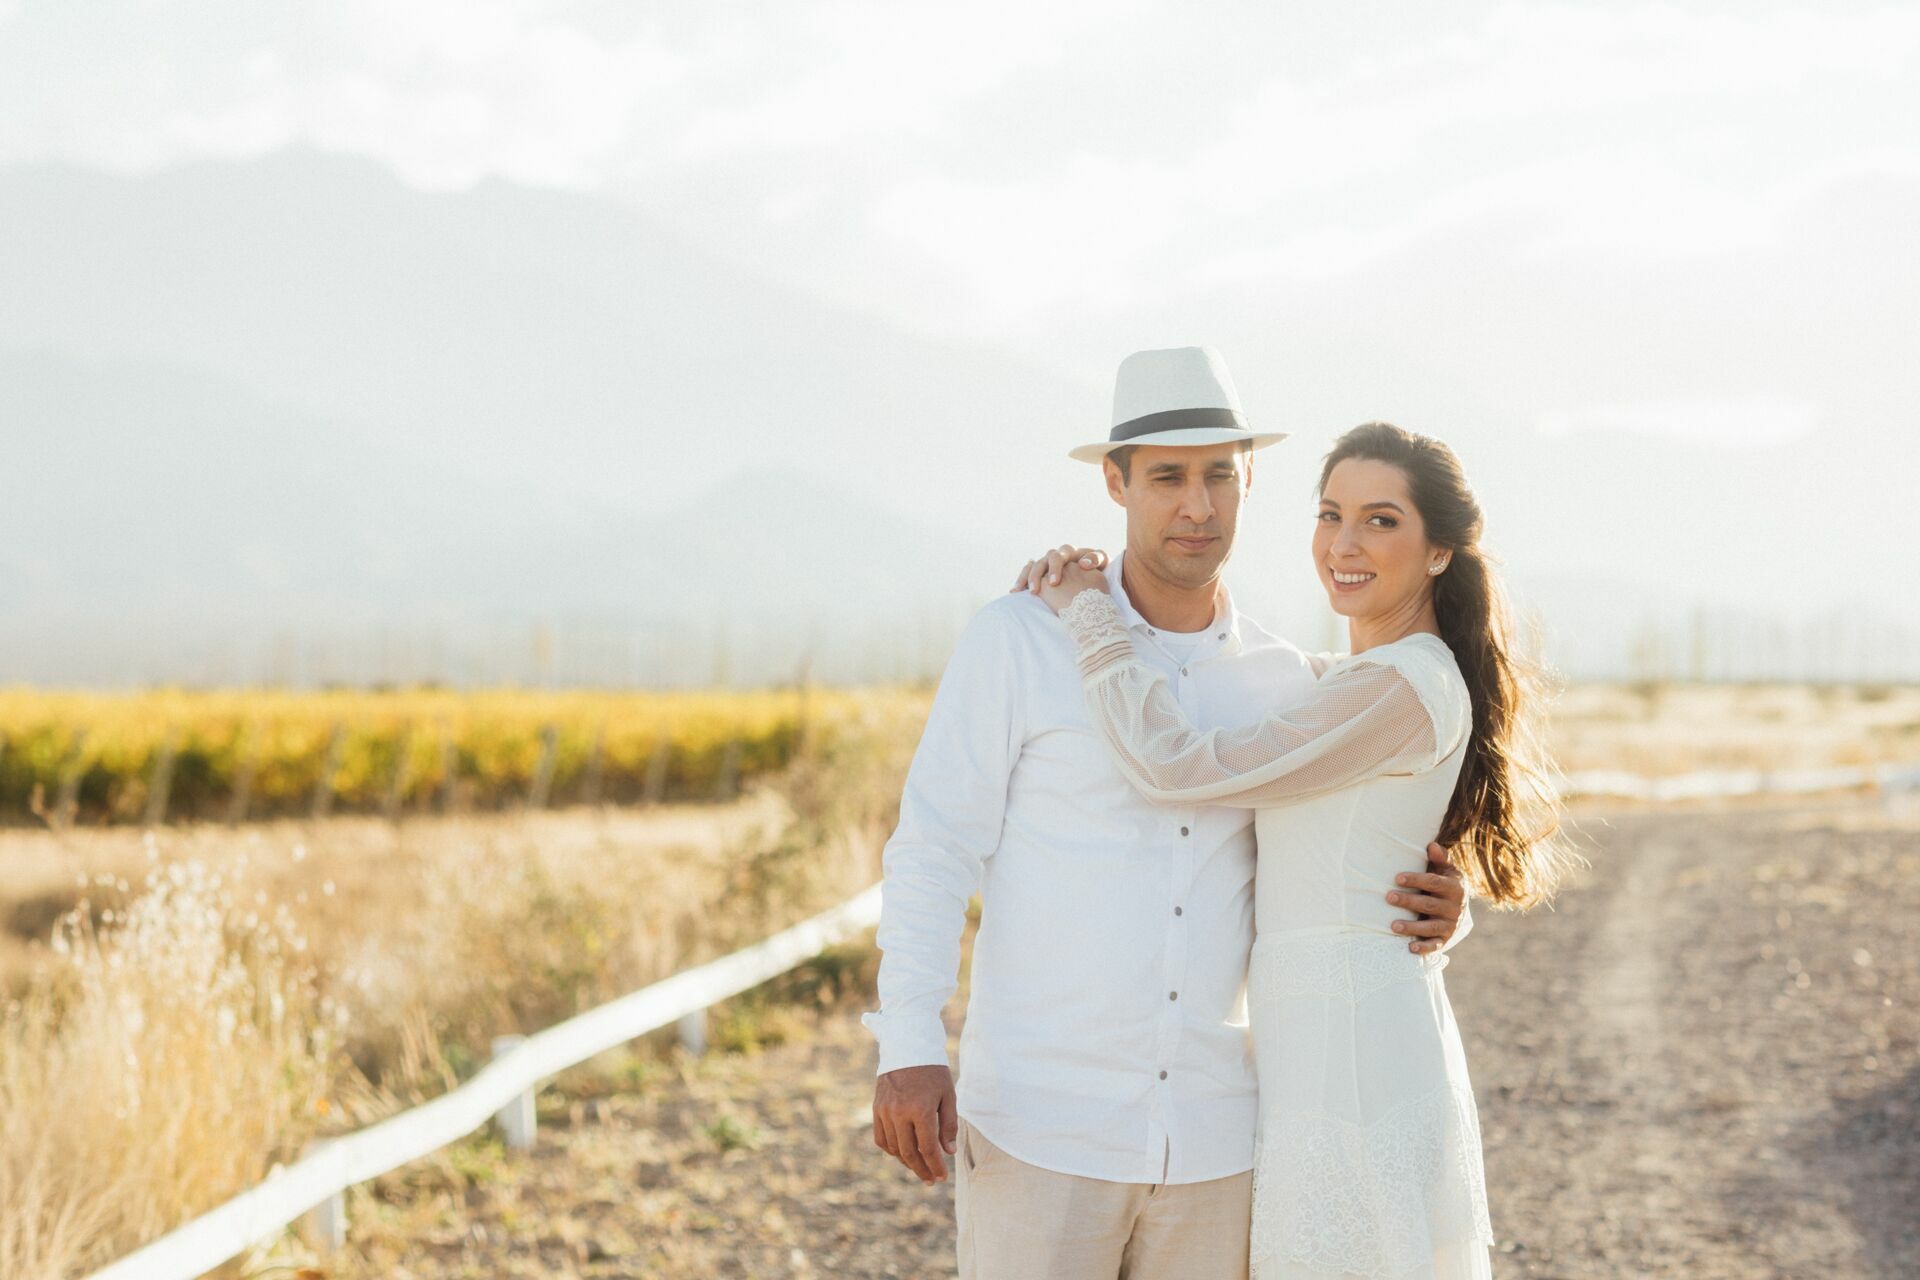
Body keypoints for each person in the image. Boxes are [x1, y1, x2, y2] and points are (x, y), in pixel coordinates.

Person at [862, 347, 1473, 1279]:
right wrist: (907, 1042)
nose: (1197, 505)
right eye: (1168, 477)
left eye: (1219, 475)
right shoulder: (1021, 639)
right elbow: (934, 848)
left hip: (1218, 1145)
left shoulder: (1282, 678)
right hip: (1045, 1125)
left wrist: (1441, 903)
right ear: (1115, 482)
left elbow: (1356, 821)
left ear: (1248, 481)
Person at [1015, 419, 1573, 1277]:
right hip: (1313, 1039)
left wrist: (1091, 614)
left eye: (1381, 520)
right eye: (1330, 514)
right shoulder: (1354, 682)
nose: (1344, 544)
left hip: (1350, 1052)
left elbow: (1174, 766)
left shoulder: (1399, 686)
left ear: (1438, 553)